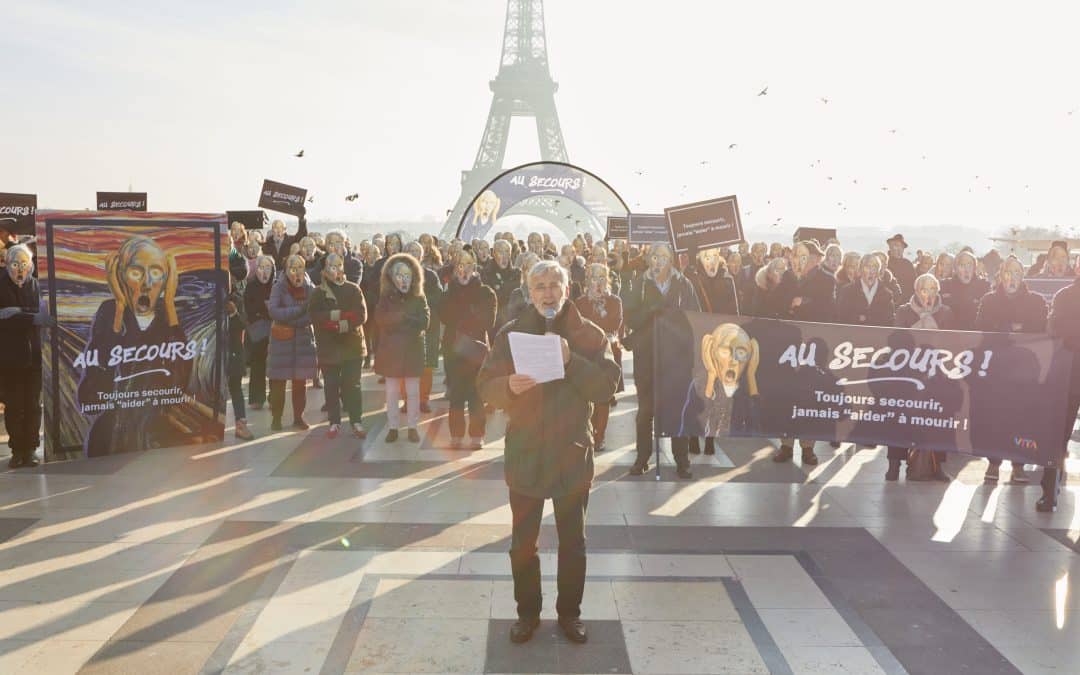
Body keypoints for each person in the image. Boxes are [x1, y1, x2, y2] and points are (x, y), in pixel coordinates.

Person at [477, 260, 620, 645]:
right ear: (529, 293)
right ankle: (527, 613)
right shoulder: (510, 334)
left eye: (555, 285)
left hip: (571, 454)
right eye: (539, 286)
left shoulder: (590, 335)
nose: (548, 293)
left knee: (573, 543)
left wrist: (571, 361)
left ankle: (570, 613)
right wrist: (507, 386)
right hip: (526, 453)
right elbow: (485, 385)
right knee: (523, 544)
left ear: (567, 289)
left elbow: (606, 388)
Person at [77, 236, 192, 457]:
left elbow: (181, 382)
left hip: (155, 440)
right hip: (111, 440)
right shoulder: (109, 312)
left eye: (156, 272)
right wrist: (120, 308)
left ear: (166, 280)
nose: (147, 283)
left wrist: (169, 303)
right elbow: (90, 395)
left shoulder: (170, 316)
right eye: (136, 272)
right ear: (121, 276)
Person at [623, 242, 700, 478]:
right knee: (645, 411)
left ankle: (681, 459)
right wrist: (649, 311)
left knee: (677, 408)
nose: (659, 261)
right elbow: (629, 317)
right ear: (649, 260)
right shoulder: (640, 284)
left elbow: (695, 317)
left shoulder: (684, 284)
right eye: (655, 256)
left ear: (671, 260)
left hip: (676, 358)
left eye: (664, 256)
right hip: (647, 355)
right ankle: (642, 457)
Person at [976, 256, 1047, 483]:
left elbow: (1040, 327)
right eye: (1008, 272)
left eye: (1017, 272)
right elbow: (982, 328)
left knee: (1022, 417)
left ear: (1022, 276)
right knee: (995, 416)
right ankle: (993, 463)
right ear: (1001, 275)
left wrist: (1008, 328)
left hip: (1025, 370)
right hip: (997, 369)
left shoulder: (1036, 301)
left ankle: (1018, 464)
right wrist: (1011, 327)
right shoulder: (989, 300)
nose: (1012, 277)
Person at [887, 274, 954, 481]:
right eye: (924, 290)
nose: (929, 294)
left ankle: (937, 465)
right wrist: (920, 323)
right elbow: (896, 340)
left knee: (937, 417)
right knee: (900, 417)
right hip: (908, 371)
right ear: (916, 292)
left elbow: (951, 341)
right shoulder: (904, 311)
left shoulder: (945, 312)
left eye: (933, 289)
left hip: (935, 372)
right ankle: (894, 463)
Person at [0, 244, 52, 468]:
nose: (20, 269)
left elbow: (44, 314)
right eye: (15, 264)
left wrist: (17, 313)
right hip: (9, 358)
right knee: (14, 406)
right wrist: (30, 317)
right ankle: (17, 450)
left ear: (30, 265)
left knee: (33, 405)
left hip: (34, 357)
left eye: (24, 263)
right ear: (7, 264)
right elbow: (4, 320)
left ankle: (30, 449)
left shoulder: (37, 286)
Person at [684, 246, 740, 456]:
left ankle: (710, 437)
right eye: (707, 257)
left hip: (720, 345)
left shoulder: (727, 279)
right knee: (696, 390)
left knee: (717, 393)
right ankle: (693, 434)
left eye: (715, 256)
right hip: (697, 342)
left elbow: (735, 314)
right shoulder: (691, 278)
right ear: (700, 259)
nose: (711, 261)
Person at [441, 250, 497, 449]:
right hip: (453, 349)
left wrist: (465, 317)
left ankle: (476, 435)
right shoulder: (448, 293)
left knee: (476, 395)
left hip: (476, 350)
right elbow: (444, 316)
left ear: (474, 268)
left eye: (468, 266)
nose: (464, 271)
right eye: (459, 267)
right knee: (455, 395)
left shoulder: (485, 292)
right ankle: (456, 435)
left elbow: (488, 321)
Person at [309, 253, 368, 439]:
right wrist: (336, 316)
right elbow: (314, 315)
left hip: (352, 346)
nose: (336, 270)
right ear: (325, 270)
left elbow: (361, 315)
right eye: (331, 266)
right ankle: (334, 422)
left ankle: (356, 421)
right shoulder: (318, 292)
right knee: (331, 386)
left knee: (353, 385)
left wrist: (341, 324)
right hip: (329, 346)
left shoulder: (353, 289)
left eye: (339, 265)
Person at [375, 253, 430, 443]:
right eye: (399, 275)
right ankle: (393, 427)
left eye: (407, 275)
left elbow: (425, 321)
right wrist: (401, 318)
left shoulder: (419, 297)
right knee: (392, 392)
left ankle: (413, 427)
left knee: (413, 392)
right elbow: (381, 319)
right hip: (392, 352)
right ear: (391, 277)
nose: (403, 280)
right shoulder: (386, 297)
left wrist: (405, 320)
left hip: (412, 351)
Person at [1041, 264, 1080, 511]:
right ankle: (1049, 492)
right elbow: (1055, 328)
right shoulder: (1065, 296)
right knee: (1059, 436)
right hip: (1070, 375)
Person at [574, 263, 623, 453]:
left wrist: (601, 310)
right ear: (588, 281)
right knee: (587, 396)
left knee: (603, 397)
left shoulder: (614, 301)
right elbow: (577, 326)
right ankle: (587, 432)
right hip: (585, 354)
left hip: (606, 353)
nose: (599, 283)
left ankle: (600, 435)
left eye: (602, 278)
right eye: (594, 278)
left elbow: (615, 324)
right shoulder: (580, 302)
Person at [267, 254, 318, 431]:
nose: (296, 272)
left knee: (300, 382)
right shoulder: (278, 287)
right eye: (292, 268)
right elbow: (274, 311)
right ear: (286, 270)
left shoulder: (310, 288)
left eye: (300, 267)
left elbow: (313, 312)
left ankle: (298, 417)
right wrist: (298, 312)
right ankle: (276, 418)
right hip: (282, 341)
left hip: (303, 340)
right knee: (278, 382)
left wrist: (293, 318)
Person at [404, 241, 443, 414]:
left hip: (427, 326)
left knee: (427, 366)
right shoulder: (398, 274)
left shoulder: (431, 276)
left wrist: (420, 303)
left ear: (422, 256)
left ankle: (423, 400)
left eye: (416, 251)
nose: (414, 254)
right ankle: (407, 401)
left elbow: (438, 297)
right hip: (405, 327)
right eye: (410, 251)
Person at [244, 255, 275, 410]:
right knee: (258, 363)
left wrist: (264, 311)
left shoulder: (277, 286)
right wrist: (264, 311)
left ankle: (275, 397)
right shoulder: (251, 286)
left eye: (268, 267)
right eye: (261, 267)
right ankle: (257, 398)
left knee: (275, 364)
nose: (264, 271)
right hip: (257, 331)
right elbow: (248, 310)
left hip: (275, 329)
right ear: (256, 270)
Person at [225, 275, 254, 441]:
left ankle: (241, 425)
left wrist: (234, 313)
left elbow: (244, 324)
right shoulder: (206, 298)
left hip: (234, 350)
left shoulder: (237, 299)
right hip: (211, 351)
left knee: (235, 387)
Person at [836, 254, 896, 327]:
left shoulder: (886, 294)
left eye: (874, 267)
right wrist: (858, 318)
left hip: (877, 333)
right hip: (853, 333)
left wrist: (866, 318)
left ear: (878, 271)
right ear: (860, 270)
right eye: (867, 267)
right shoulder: (847, 291)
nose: (871, 271)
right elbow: (841, 318)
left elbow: (889, 321)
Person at [940, 251, 990, 330]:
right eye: (962, 265)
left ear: (975, 268)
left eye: (970, 265)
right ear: (955, 269)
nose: (966, 270)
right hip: (950, 333)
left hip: (975, 334)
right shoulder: (945, 285)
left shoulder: (984, 286)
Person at [886, 234, 916, 298]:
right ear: (890, 247)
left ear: (903, 249)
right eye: (895, 245)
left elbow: (914, 284)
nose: (897, 248)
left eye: (901, 246)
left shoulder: (908, 264)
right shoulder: (885, 263)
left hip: (906, 299)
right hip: (889, 299)